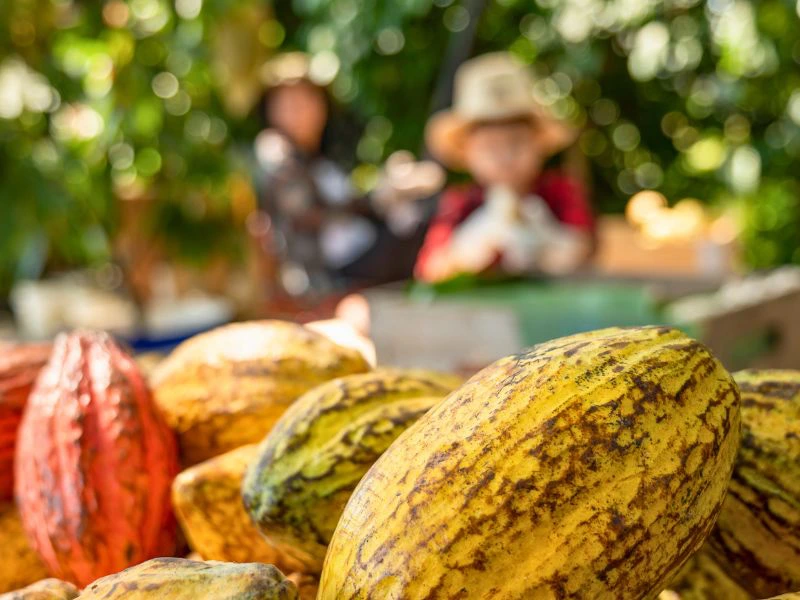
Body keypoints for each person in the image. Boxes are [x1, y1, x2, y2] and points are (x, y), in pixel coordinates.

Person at [254, 52, 443, 298]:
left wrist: (388, 193)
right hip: (326, 277)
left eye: (307, 101)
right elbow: (308, 213)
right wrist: (376, 200)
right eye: (289, 104)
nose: (301, 112)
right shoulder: (278, 153)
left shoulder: (318, 156)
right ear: (272, 111)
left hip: (357, 259)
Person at [415, 52, 595, 283]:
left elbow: (586, 251)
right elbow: (429, 270)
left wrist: (547, 241)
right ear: (468, 153)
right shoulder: (459, 204)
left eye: (516, 143)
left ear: (538, 143)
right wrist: (471, 248)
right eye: (490, 147)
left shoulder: (561, 192)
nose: (505, 157)